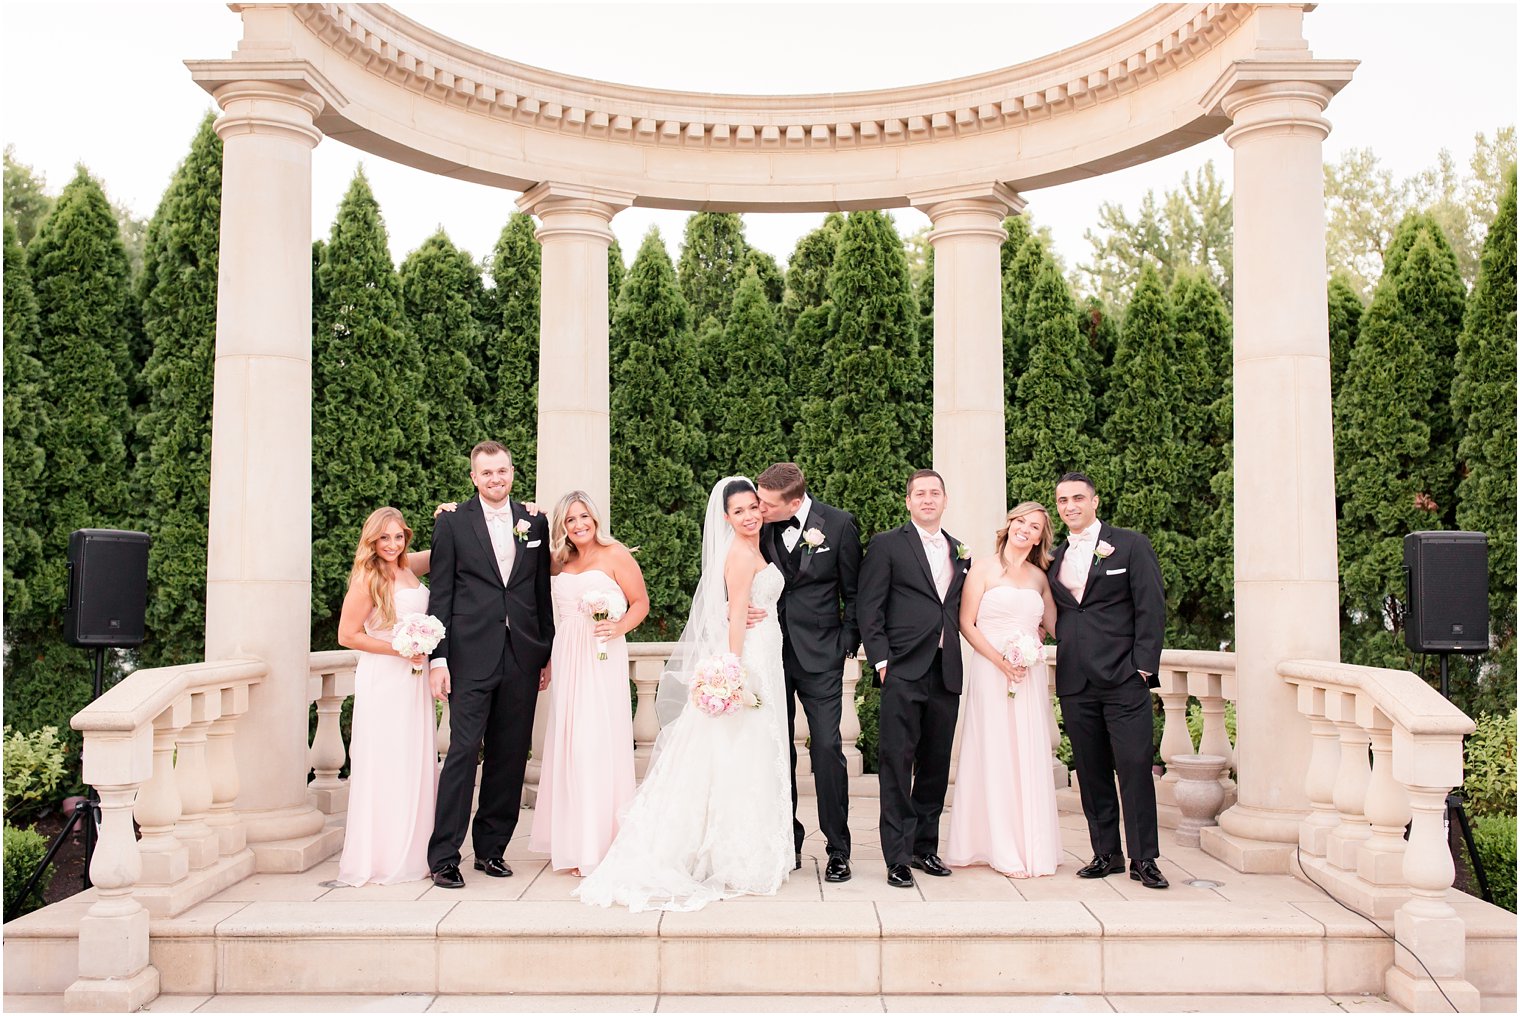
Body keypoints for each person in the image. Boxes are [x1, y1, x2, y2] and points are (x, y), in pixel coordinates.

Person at [576, 477, 792, 912]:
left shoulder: (757, 547)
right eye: (739, 511)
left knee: (756, 750)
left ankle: (756, 848)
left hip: (767, 653)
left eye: (754, 507)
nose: (750, 516)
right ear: (726, 519)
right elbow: (734, 616)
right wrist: (732, 670)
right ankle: (731, 856)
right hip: (748, 658)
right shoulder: (736, 554)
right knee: (740, 753)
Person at [425, 441, 554, 889]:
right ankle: (444, 856)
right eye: (487, 473)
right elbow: (440, 595)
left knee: (511, 754)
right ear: (474, 477)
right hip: (468, 655)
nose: (496, 479)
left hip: (521, 654)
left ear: (512, 472)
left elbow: (540, 594)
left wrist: (545, 652)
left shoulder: (535, 521)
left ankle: (491, 850)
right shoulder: (452, 523)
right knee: (462, 752)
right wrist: (437, 658)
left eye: (502, 471)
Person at [1048, 471, 1168, 890]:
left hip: (1123, 678)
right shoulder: (1055, 557)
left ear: (1095, 501)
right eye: (1062, 501)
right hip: (1076, 680)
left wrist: (1142, 667)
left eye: (1078, 498)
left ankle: (1144, 858)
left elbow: (1151, 608)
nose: (1070, 507)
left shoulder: (1131, 545)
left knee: (1134, 768)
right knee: (1092, 771)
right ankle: (1106, 854)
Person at [858, 469, 970, 889]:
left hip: (946, 669)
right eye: (919, 493)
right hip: (903, 668)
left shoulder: (960, 550)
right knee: (896, 762)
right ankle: (898, 856)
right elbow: (870, 608)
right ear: (908, 501)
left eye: (934, 493)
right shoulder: (888, 544)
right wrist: (882, 661)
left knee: (936, 765)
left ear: (945, 499)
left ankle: (926, 848)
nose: (927, 499)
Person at [528, 490, 649, 876]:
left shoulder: (616, 555)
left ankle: (603, 840)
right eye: (570, 520)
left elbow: (641, 602)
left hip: (602, 655)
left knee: (597, 742)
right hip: (568, 655)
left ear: (595, 519)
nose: (579, 525)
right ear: (561, 526)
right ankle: (573, 840)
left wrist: (617, 627)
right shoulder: (558, 561)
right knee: (570, 742)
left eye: (584, 517)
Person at [753, 462, 861, 884]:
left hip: (822, 656)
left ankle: (838, 849)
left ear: (795, 502)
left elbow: (853, 592)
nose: (758, 508)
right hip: (770, 655)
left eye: (766, 503)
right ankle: (787, 841)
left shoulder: (838, 524)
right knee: (779, 750)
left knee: (828, 750)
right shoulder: (757, 525)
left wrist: (844, 644)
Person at [945, 502, 1061, 877]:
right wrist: (1000, 661)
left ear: (1042, 536)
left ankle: (1030, 843)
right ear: (1009, 524)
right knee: (993, 750)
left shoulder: (1040, 578)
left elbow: (1055, 626)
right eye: (1021, 521)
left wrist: (1032, 648)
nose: (1026, 529)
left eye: (1035, 526)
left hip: (1026, 675)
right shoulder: (982, 569)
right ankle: (994, 844)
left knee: (1025, 751)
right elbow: (966, 623)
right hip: (991, 671)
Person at [334, 507, 438, 886]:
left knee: (413, 759)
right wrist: (400, 648)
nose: (392, 545)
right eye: (384, 538)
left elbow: (454, 544)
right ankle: (382, 856)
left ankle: (415, 850)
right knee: (387, 761)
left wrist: (448, 513)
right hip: (386, 677)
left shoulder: (409, 565)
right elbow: (348, 635)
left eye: (398, 537)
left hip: (415, 678)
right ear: (372, 541)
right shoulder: (367, 577)